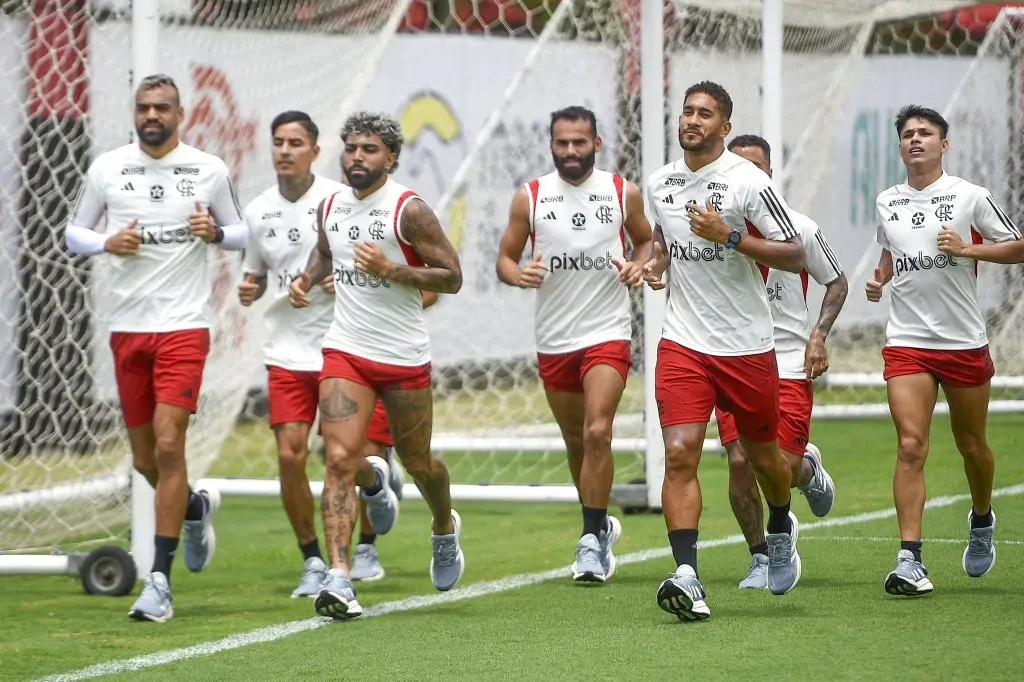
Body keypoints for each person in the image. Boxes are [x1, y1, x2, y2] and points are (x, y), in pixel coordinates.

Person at [65, 74, 248, 622]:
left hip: (183, 328)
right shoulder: (108, 168)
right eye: (144, 107)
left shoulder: (207, 169)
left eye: (162, 108)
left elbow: (242, 231)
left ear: (180, 114)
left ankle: (160, 583)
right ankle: (192, 507)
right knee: (146, 458)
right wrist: (106, 241)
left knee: (170, 445)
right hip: (127, 328)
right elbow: (74, 233)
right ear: (135, 112)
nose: (152, 115)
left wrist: (214, 233)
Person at [289, 111, 464, 619]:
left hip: (404, 357)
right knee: (340, 460)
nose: (357, 158)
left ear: (390, 157)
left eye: (369, 150)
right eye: (351, 148)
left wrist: (392, 269)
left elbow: (451, 277)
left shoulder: (409, 211)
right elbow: (327, 253)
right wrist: (305, 279)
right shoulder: (331, 206)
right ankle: (340, 577)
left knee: (420, 462)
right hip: (346, 351)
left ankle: (443, 528)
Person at [642, 81, 807, 621]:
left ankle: (780, 524)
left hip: (746, 347)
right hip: (683, 343)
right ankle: (687, 573)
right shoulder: (660, 182)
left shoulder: (747, 183)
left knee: (763, 460)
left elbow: (793, 252)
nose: (692, 120)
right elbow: (664, 243)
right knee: (680, 450)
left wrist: (729, 236)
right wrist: (652, 263)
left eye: (705, 113)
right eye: (687, 111)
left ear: (725, 127)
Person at [238, 111, 413, 597]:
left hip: (350, 345)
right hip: (287, 352)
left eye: (297, 142)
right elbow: (253, 274)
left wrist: (346, 282)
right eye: (278, 142)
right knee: (290, 456)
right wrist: (250, 288)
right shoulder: (257, 212)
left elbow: (376, 266)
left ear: (316, 152)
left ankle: (367, 544)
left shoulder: (343, 201)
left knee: (353, 454)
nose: (285, 150)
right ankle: (314, 560)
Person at [866, 105, 1022, 596]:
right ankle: (910, 559)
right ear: (900, 147)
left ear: (943, 145)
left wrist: (969, 249)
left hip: (962, 341)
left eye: (925, 133)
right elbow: (893, 251)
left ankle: (981, 517)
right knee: (911, 445)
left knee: (971, 445)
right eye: (908, 134)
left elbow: (1016, 246)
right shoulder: (886, 201)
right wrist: (880, 278)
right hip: (907, 343)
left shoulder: (969, 196)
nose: (916, 140)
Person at [496, 106, 652, 583]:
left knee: (598, 430)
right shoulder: (531, 197)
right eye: (562, 143)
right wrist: (518, 275)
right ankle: (601, 522)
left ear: (596, 144)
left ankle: (589, 540)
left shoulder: (622, 193)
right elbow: (505, 256)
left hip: (606, 332)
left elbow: (646, 242)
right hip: (554, 337)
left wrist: (638, 265)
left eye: (579, 143)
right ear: (551, 145)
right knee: (575, 440)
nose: (570, 152)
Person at [713, 135, 846, 590]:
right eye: (739, 166)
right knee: (737, 461)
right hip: (733, 360)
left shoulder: (800, 229)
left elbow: (836, 282)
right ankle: (761, 555)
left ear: (769, 175)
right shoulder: (713, 230)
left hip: (787, 365)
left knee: (781, 469)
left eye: (758, 167)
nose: (748, 175)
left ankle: (807, 469)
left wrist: (818, 337)